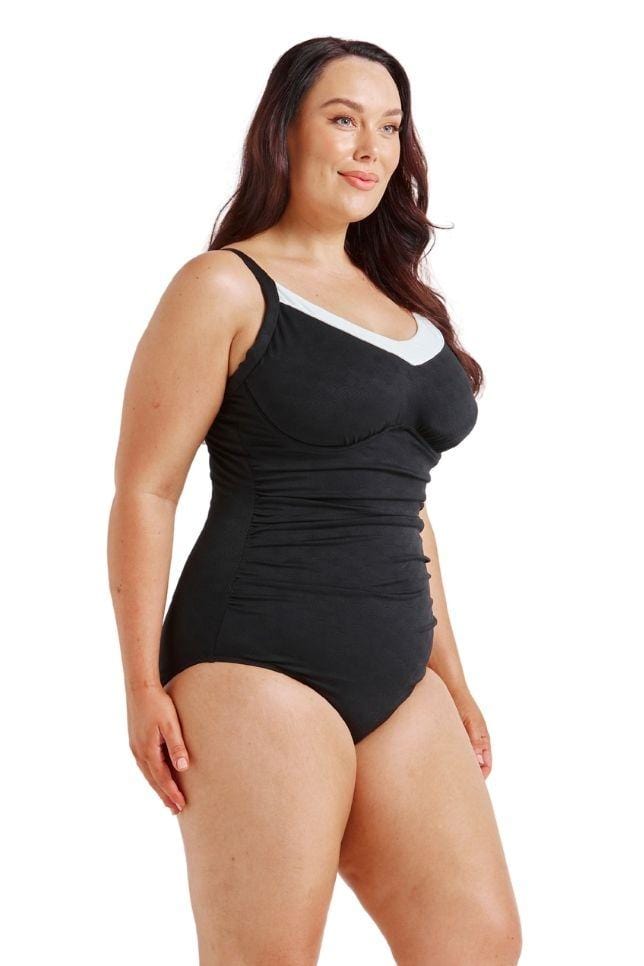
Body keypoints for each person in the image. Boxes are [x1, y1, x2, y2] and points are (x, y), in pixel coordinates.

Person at [108, 37, 522, 966]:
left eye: (390, 127)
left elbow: (405, 505)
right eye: (344, 120)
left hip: (397, 671)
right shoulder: (224, 286)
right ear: (285, 133)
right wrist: (139, 687)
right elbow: (146, 488)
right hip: (255, 660)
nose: (371, 148)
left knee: (478, 942)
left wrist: (452, 675)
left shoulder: (407, 308)